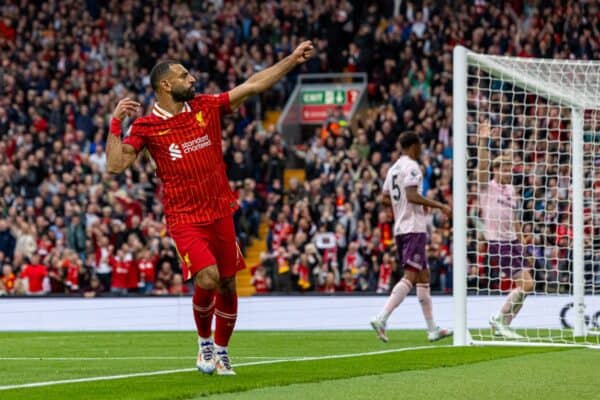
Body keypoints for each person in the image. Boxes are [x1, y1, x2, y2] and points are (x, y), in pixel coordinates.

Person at [106, 41, 314, 375]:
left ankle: (221, 352)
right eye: (183, 75)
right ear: (165, 85)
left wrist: (291, 59)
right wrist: (116, 124)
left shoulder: (206, 107)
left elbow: (252, 85)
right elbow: (116, 165)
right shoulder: (146, 127)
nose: (192, 79)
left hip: (220, 212)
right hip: (184, 218)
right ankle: (204, 343)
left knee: (229, 284)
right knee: (209, 275)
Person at [370, 131, 453, 343]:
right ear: (413, 146)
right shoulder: (412, 167)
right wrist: (440, 206)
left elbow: (384, 198)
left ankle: (432, 329)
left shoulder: (393, 169)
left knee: (423, 277)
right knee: (411, 275)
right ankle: (382, 317)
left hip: (401, 228)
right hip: (413, 228)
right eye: (420, 145)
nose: (421, 149)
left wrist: (402, 206)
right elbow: (412, 195)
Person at [477, 121, 534, 339]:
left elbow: (515, 218)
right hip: (497, 242)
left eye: (510, 168)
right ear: (496, 170)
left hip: (513, 242)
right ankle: (499, 318)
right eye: (504, 168)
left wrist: (522, 243)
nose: (508, 171)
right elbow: (482, 165)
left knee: (530, 286)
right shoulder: (487, 187)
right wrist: (483, 140)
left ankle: (505, 324)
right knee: (526, 284)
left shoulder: (512, 190)